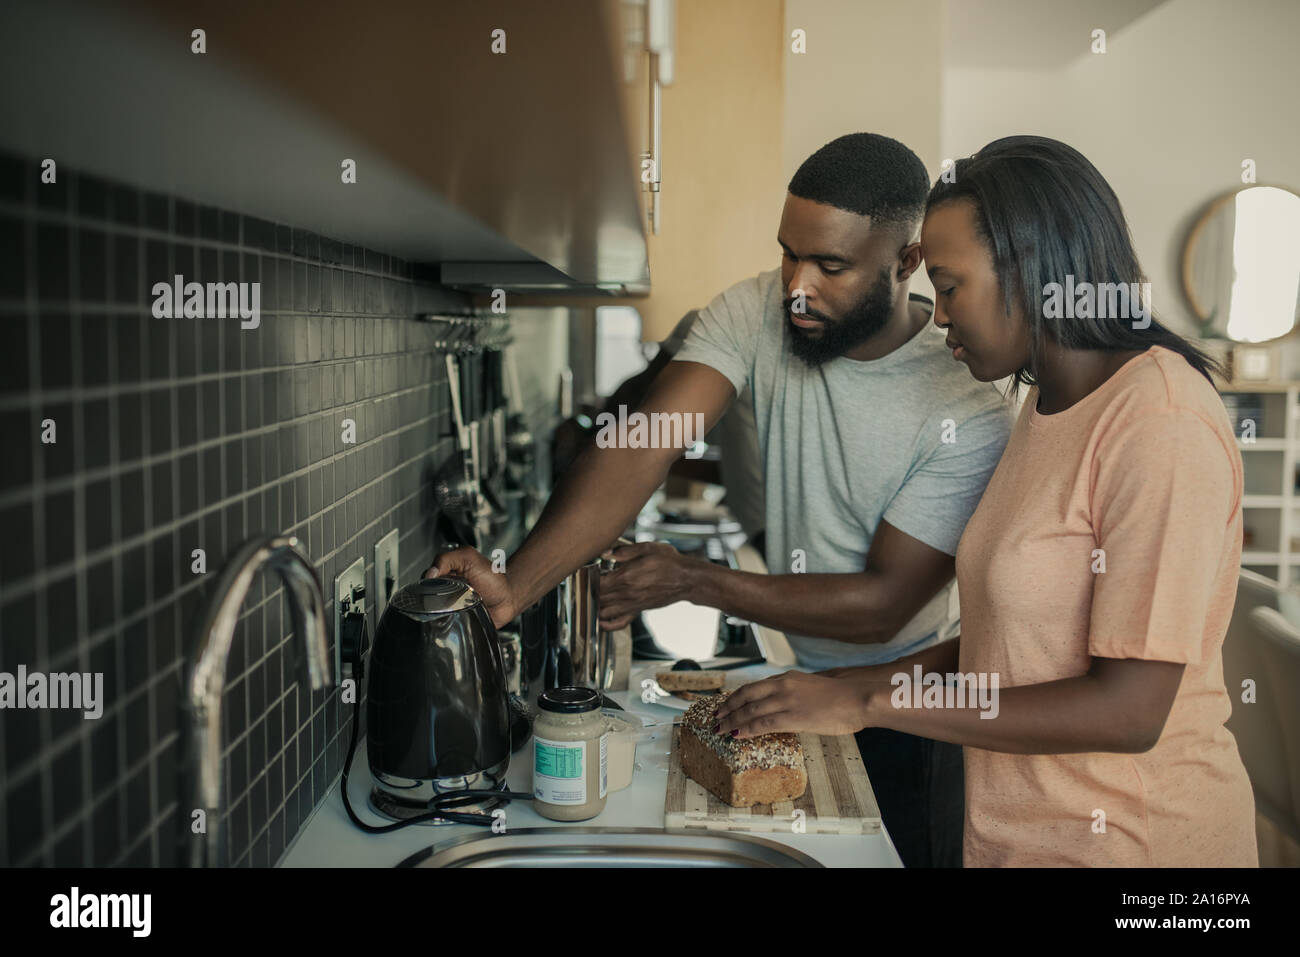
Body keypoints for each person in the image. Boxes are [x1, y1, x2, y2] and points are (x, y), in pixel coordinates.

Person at [427, 133, 1015, 867]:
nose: (797, 285)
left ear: (905, 263)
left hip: (901, 705)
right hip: (789, 679)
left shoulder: (969, 410)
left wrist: (694, 579)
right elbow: (649, 440)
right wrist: (517, 585)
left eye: (830, 265)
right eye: (788, 253)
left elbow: (884, 604)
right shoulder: (753, 312)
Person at [714, 135, 1259, 867]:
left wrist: (871, 705)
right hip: (1022, 839)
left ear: (1031, 270)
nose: (938, 317)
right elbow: (1016, 645)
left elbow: (1129, 709)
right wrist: (851, 683)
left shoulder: (1159, 422)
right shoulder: (1044, 405)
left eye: (949, 285)